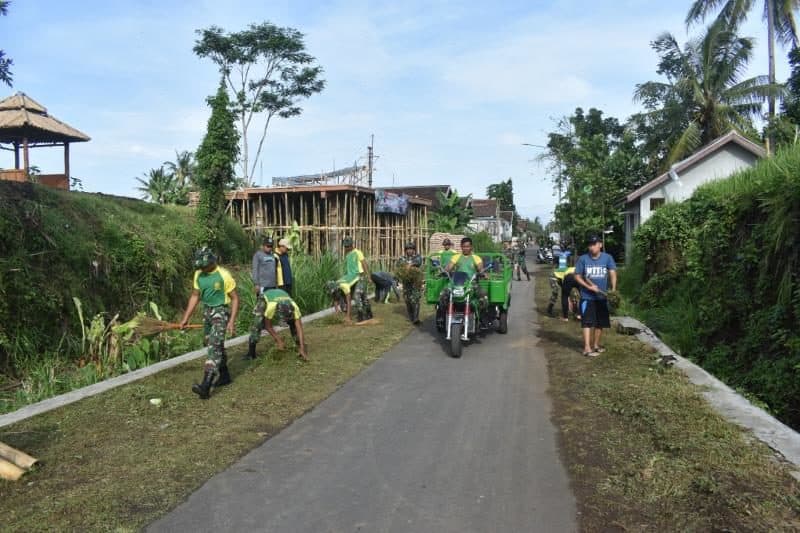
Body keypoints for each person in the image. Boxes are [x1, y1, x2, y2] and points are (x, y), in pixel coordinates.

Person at [179, 247, 239, 399]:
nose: (203, 268)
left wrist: (231, 321)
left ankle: (205, 386)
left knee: (213, 345)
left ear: (212, 261)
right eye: (201, 266)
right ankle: (224, 375)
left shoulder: (224, 275)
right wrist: (186, 318)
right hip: (207, 313)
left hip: (221, 312)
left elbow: (235, 298)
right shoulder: (198, 274)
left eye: (205, 265)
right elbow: (195, 296)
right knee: (213, 344)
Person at [574, 234, 617, 357]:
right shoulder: (583, 259)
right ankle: (587, 347)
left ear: (600, 245)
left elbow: (613, 273)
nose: (591, 247)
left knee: (600, 322)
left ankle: (596, 345)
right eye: (589, 245)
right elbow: (577, 276)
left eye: (594, 244)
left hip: (602, 297)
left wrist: (613, 290)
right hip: (587, 296)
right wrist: (589, 287)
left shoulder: (607, 258)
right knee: (587, 322)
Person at [246, 236, 281, 360]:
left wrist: (276, 285)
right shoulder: (258, 255)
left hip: (272, 288)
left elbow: (274, 272)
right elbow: (255, 270)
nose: (269, 248)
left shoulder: (273, 256)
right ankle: (251, 351)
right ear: (263, 245)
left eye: (271, 246)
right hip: (262, 289)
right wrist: (256, 283)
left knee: (268, 316)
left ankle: (271, 332)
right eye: (267, 246)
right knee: (259, 318)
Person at [445, 236, 489, 326]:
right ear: (461, 247)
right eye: (464, 246)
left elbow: (480, 268)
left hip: (471, 284)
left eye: (467, 246)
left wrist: (483, 273)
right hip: (458, 284)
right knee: (444, 295)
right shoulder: (456, 257)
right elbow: (449, 267)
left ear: (471, 247)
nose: (465, 248)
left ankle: (482, 319)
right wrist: (445, 271)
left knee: (483, 298)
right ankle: (442, 317)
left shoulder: (476, 258)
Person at [261, 288, 309, 361]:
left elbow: (300, 329)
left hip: (282, 293)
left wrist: (302, 348)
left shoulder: (295, 308)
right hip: (266, 296)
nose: (286, 321)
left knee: (293, 323)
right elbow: (268, 326)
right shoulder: (271, 307)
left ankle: (299, 348)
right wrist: (278, 340)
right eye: (284, 319)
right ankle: (251, 353)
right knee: (257, 322)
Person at [341, 237, 373, 323]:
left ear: (352, 245)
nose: (346, 248)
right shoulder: (347, 255)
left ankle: (361, 315)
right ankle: (368, 313)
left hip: (360, 277)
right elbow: (348, 269)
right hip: (351, 279)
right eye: (345, 247)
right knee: (363, 297)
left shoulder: (358, 253)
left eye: (348, 246)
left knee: (357, 295)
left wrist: (368, 276)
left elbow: (364, 264)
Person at [396, 241, 423, 324]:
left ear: (414, 250)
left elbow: (418, 262)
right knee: (407, 300)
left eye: (411, 249)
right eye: (408, 249)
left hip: (416, 282)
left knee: (416, 299)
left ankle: (416, 318)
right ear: (405, 250)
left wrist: (410, 265)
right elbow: (399, 266)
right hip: (406, 282)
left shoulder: (417, 257)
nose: (410, 251)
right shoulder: (402, 258)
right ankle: (411, 317)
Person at [276, 238, 297, 340]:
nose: (287, 250)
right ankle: (281, 320)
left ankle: (288, 318)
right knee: (281, 301)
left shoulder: (285, 255)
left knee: (288, 300)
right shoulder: (275, 256)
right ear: (281, 246)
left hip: (288, 281)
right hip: (281, 282)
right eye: (286, 248)